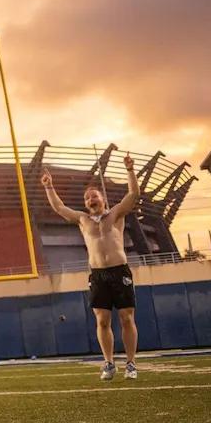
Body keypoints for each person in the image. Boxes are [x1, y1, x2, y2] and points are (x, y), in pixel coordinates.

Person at [42, 156, 142, 380]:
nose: (90, 200)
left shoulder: (115, 214)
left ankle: (131, 364)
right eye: (87, 198)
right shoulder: (83, 220)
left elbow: (133, 194)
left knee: (126, 318)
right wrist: (49, 186)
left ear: (103, 199)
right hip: (98, 275)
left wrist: (130, 170)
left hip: (119, 271)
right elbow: (59, 208)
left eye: (94, 196)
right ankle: (109, 363)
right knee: (102, 320)